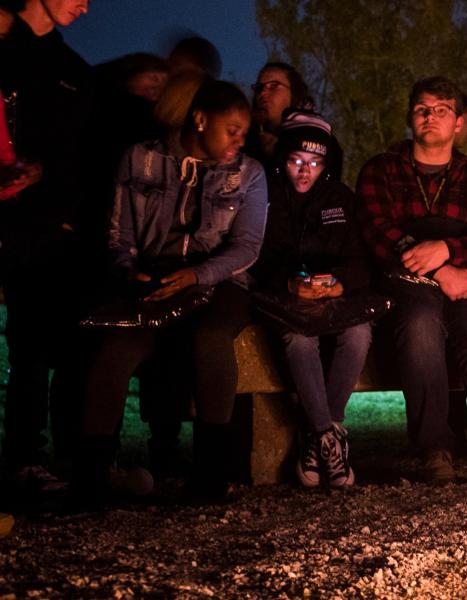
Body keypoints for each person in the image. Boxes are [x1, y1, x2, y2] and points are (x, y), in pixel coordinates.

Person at [75, 80, 267, 504]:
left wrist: (198, 275)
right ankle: (91, 478)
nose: (240, 139)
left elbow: (247, 246)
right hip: (155, 277)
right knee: (118, 347)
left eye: (244, 131)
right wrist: (130, 272)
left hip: (220, 281)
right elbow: (118, 232)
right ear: (200, 120)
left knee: (211, 340)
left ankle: (210, 476)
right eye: (231, 128)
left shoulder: (249, 173)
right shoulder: (140, 159)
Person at [358, 76, 467, 486]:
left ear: (456, 122)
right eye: (422, 109)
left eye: (441, 110)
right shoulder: (382, 170)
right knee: (420, 330)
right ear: (410, 117)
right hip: (407, 280)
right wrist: (438, 267)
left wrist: (448, 252)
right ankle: (435, 448)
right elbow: (378, 230)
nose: (430, 117)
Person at [0, 0, 93, 491]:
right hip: (15, 223)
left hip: (57, 227)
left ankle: (67, 457)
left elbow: (78, 156)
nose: (85, 5)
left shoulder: (71, 70)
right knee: (29, 346)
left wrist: (46, 174)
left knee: (61, 346)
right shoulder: (8, 52)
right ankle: (23, 458)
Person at [252, 110, 372, 487]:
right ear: (283, 159)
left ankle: (317, 434)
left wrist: (340, 284)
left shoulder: (341, 198)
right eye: (296, 161)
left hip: (335, 298)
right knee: (298, 338)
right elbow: (251, 257)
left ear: (327, 163)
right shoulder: (264, 195)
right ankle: (328, 436)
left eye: (315, 163)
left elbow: (362, 261)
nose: (305, 171)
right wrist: (288, 286)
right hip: (283, 300)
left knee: (359, 333)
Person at [247, 62, 312, 165]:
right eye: (259, 88)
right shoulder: (244, 138)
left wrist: (280, 155)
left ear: (294, 93)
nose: (263, 93)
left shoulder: (315, 137)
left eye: (273, 86)